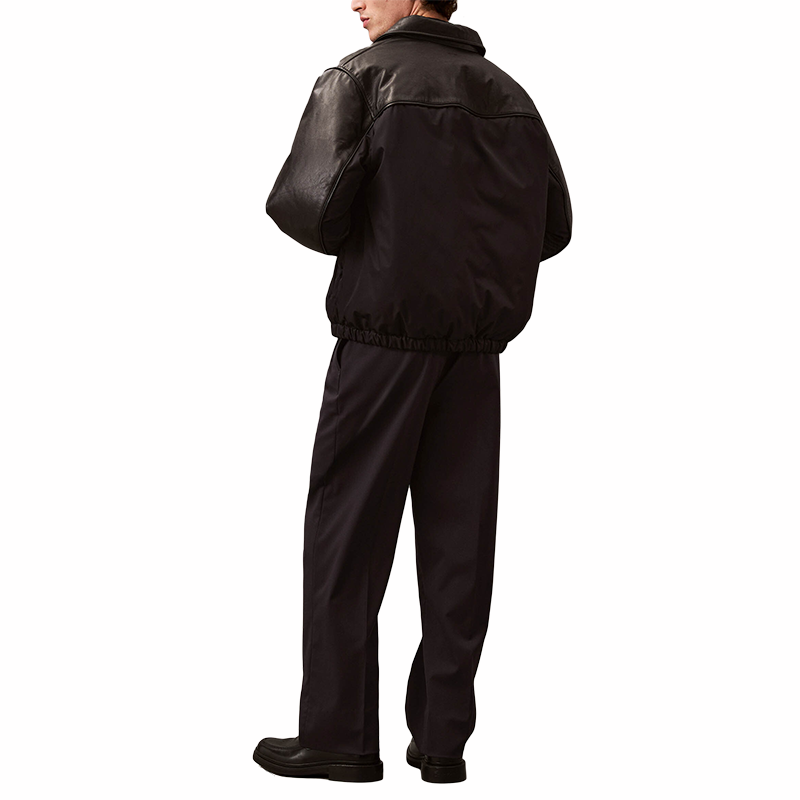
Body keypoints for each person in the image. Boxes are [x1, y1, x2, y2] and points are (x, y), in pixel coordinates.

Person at [253, 0, 572, 784]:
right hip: (475, 352)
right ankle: (442, 742)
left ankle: (337, 737)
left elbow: (306, 208)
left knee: (347, 538)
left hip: (382, 347)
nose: (354, 2)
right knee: (460, 547)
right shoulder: (511, 95)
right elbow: (554, 228)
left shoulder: (358, 79)